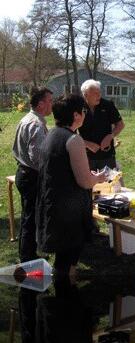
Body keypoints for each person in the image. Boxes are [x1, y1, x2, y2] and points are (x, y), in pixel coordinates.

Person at [36, 94, 106, 275]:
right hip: (68, 209)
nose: (84, 114)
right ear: (75, 115)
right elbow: (84, 182)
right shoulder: (74, 139)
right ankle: (66, 288)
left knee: (63, 257)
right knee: (68, 258)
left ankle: (64, 285)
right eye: (83, 111)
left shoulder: (52, 133)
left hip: (53, 201)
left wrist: (89, 176)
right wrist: (99, 178)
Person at [12, 87, 53, 262]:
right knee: (30, 219)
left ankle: (28, 254)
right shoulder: (36, 124)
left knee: (29, 217)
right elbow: (37, 158)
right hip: (31, 176)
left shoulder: (27, 119)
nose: (52, 104)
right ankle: (27, 258)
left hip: (24, 173)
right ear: (41, 104)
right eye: (50, 101)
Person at [79, 79, 125, 170]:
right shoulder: (78, 107)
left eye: (99, 92)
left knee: (108, 179)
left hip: (106, 154)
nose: (99, 95)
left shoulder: (108, 105)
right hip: (86, 155)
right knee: (87, 179)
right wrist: (87, 144)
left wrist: (110, 136)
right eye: (95, 93)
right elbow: (70, 132)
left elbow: (120, 125)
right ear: (85, 95)